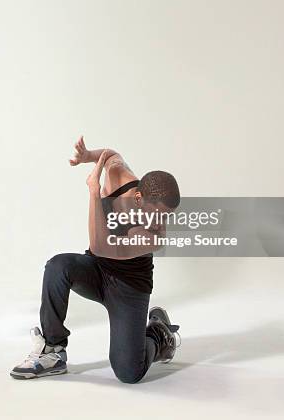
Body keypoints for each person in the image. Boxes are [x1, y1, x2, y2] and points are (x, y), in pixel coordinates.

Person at [10, 136, 181, 382]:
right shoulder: (121, 178)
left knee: (129, 372)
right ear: (139, 197)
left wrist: (93, 192)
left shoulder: (155, 236)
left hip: (129, 286)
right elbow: (111, 155)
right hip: (98, 271)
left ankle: (158, 333)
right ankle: (53, 350)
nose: (161, 223)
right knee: (59, 266)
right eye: (158, 214)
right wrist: (88, 156)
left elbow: (101, 246)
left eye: (168, 216)